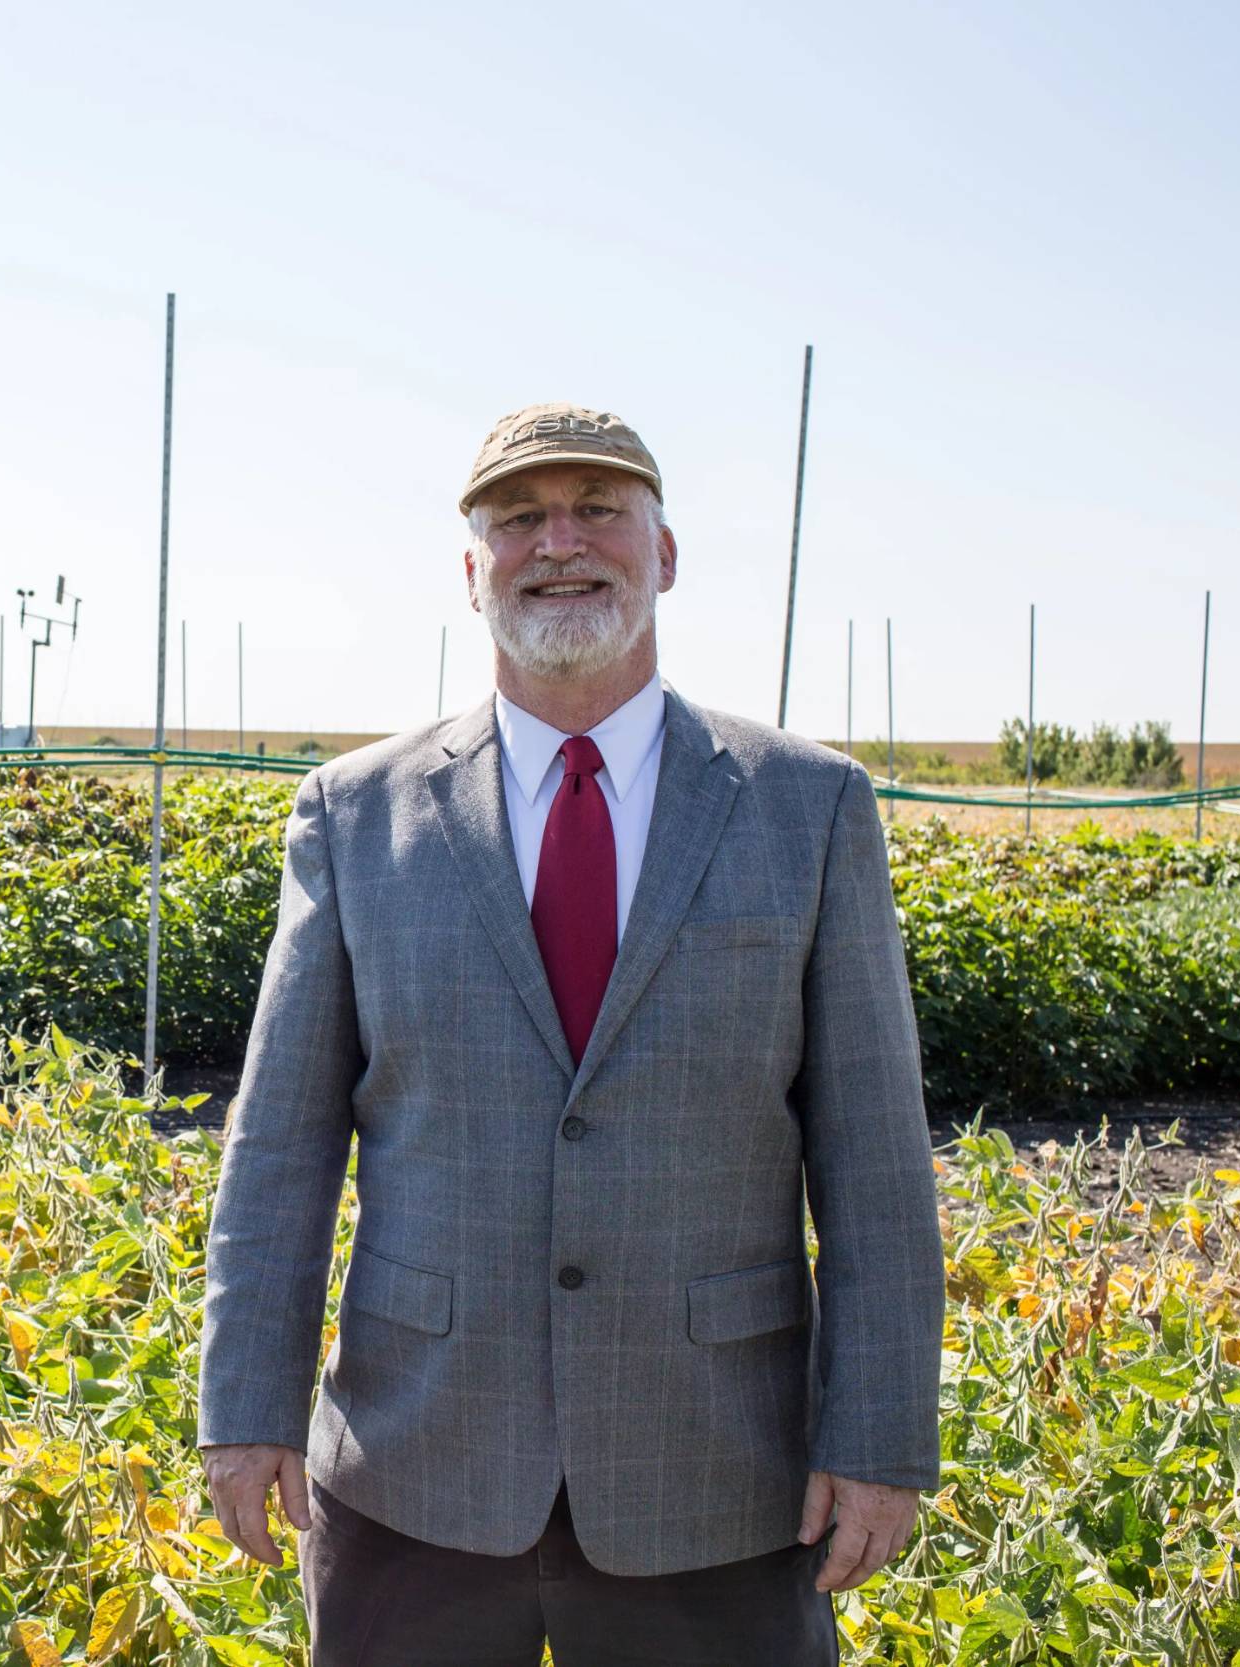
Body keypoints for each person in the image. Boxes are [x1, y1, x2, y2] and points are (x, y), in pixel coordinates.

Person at [193, 404, 944, 1663]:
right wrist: (245, 1405)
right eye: (518, 517)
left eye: (598, 506)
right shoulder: (356, 813)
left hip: (714, 1473)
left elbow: (873, 1155)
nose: (560, 541)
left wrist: (874, 1434)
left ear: (664, 551)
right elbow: (281, 1142)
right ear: (471, 566)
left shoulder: (808, 808)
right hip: (416, 1468)